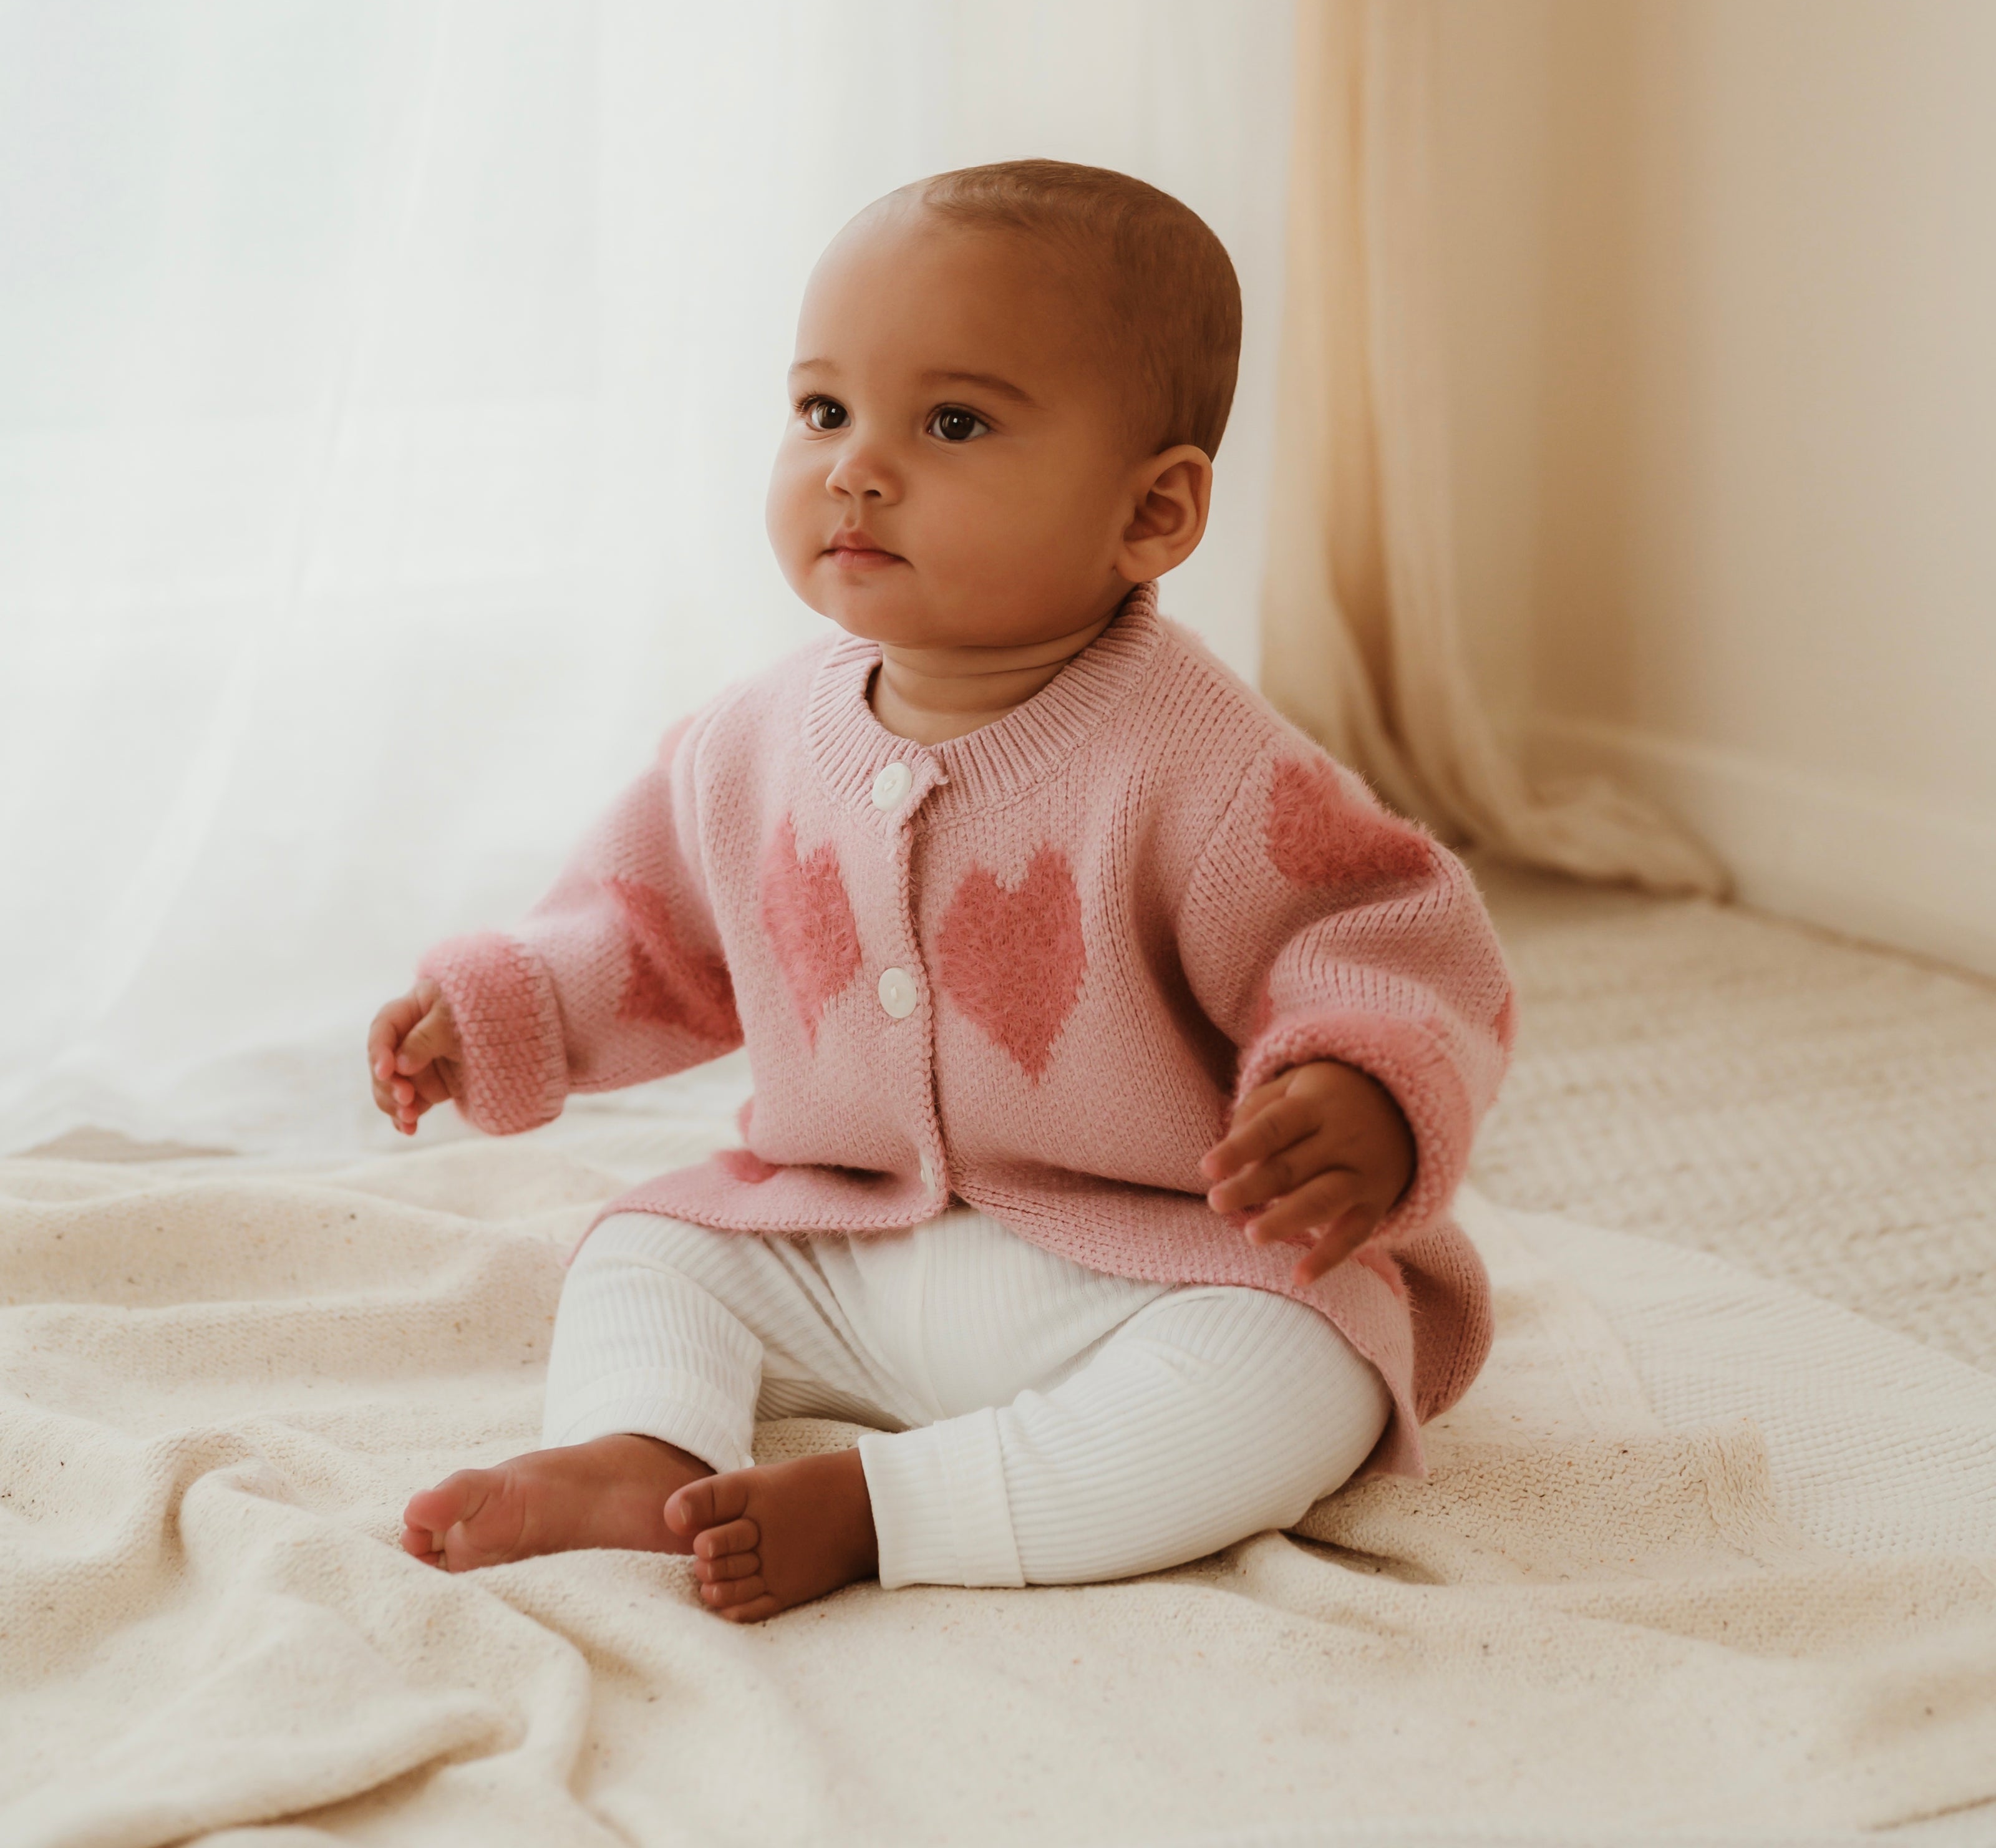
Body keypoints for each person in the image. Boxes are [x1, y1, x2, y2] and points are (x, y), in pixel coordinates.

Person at [374, 160, 1513, 1623]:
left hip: (1152, 1265)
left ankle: (891, 1508)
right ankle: (644, 1451)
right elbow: (646, 929)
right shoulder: (751, 741)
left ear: (1154, 512)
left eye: (953, 423)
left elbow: (1382, 940)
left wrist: (1357, 1081)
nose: (855, 466)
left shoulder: (1209, 764)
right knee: (651, 1246)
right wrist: (502, 1001)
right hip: (844, 1239)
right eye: (822, 412)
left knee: (1300, 1377)